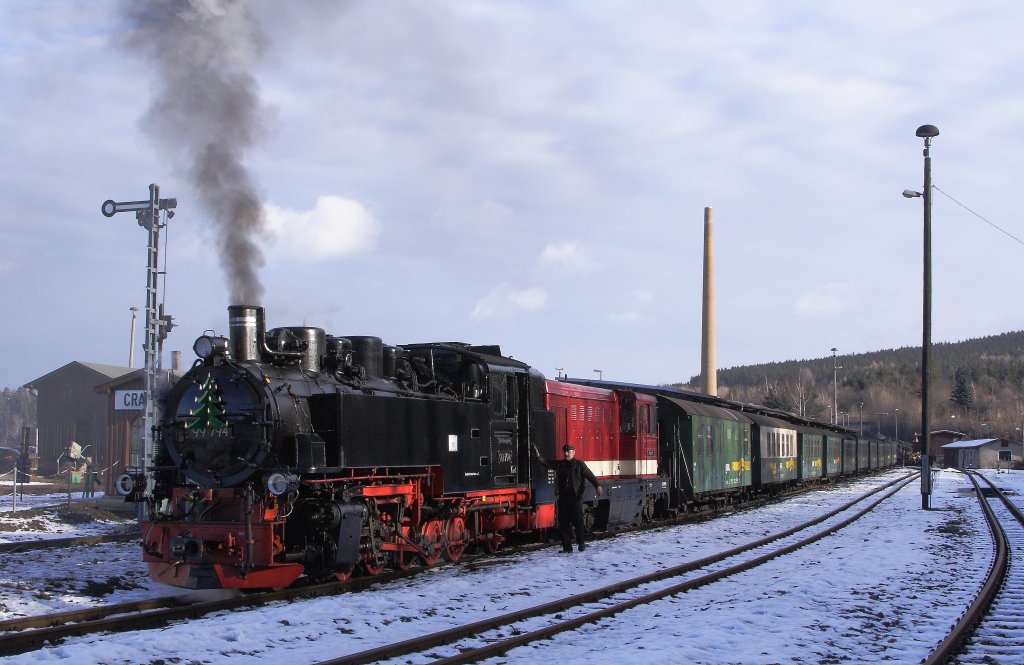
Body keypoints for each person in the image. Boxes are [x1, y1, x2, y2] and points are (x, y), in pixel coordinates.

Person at [531, 442, 603, 553]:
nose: (566, 453)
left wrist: (597, 485)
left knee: (578, 522)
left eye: (568, 451)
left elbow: (590, 475)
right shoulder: (561, 464)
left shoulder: (580, 465)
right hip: (564, 499)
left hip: (576, 499)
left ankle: (581, 543)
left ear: (573, 453)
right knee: (563, 524)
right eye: (565, 451)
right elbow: (548, 464)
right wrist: (539, 457)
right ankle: (567, 548)